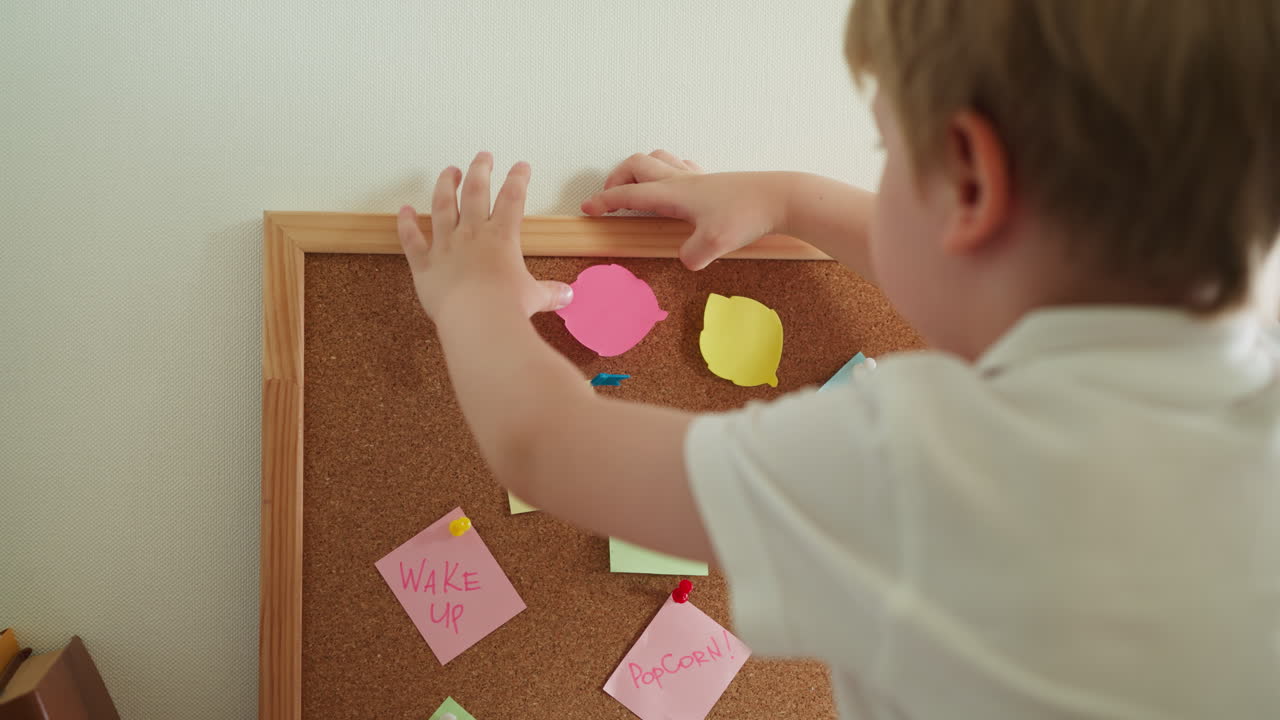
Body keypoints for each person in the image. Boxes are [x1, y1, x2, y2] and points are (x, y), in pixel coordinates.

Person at [395, 1, 1280, 717]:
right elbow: (981, 281)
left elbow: (546, 446)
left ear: (971, 179)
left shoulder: (922, 461)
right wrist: (791, 197)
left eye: (886, 153)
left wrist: (472, 297)